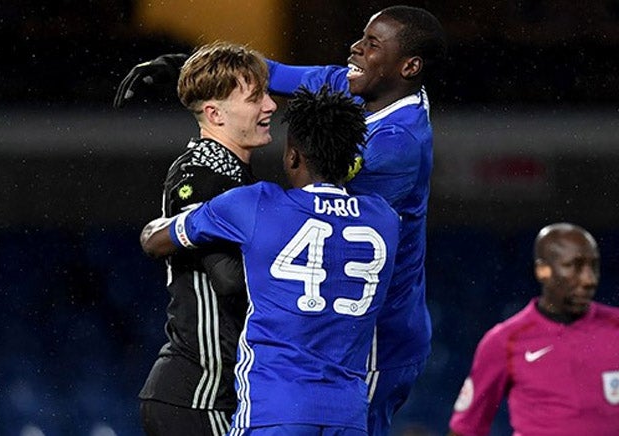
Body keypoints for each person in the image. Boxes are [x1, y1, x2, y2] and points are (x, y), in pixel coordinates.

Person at [114, 7, 447, 434]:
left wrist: (245, 207)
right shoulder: (357, 86)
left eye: (372, 45)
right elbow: (271, 72)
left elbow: (311, 206)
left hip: (380, 333)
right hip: (331, 336)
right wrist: (190, 67)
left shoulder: (397, 145)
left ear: (409, 66)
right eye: (361, 38)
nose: (356, 49)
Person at [140, 85, 400, 435]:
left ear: (292, 157)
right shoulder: (384, 219)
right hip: (348, 413)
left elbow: (155, 241)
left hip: (274, 407)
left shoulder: (257, 204)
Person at [136, 41, 277, 436]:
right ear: (214, 114)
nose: (270, 106)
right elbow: (230, 280)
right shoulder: (200, 176)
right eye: (255, 98)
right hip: (199, 395)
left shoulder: (232, 175)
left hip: (210, 394)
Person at [447, 223, 619, 436]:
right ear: (542, 270)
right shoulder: (504, 341)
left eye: (594, 266)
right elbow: (466, 429)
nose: (588, 279)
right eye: (574, 266)